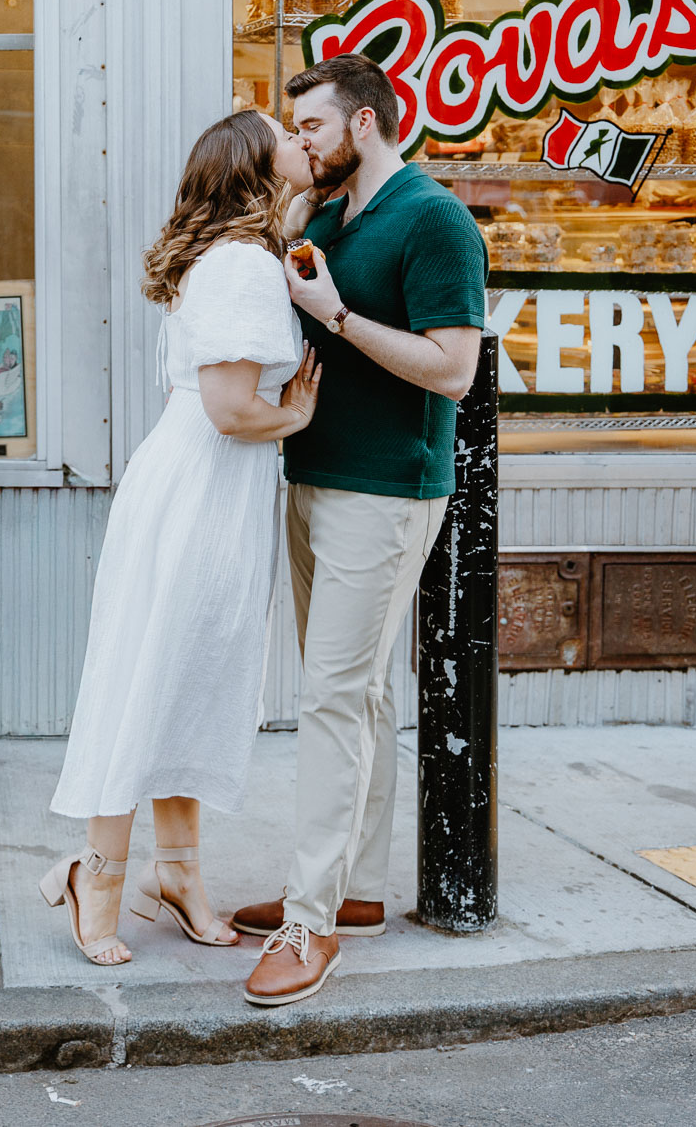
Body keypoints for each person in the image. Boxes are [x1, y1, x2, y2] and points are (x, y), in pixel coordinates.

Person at [43, 109, 321, 967]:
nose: (303, 141)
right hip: (202, 491)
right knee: (150, 680)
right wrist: (297, 414)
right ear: (253, 166)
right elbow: (232, 410)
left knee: (190, 684)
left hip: (205, 491)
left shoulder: (244, 254)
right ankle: (98, 875)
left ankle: (177, 875)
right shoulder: (240, 264)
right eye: (287, 134)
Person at [237, 55, 487, 1008]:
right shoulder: (335, 216)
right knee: (358, 697)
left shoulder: (434, 219)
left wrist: (333, 313)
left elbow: (452, 370)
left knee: (334, 700)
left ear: (368, 122)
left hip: (386, 493)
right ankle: (357, 891)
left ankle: (309, 920)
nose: (297, 142)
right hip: (314, 477)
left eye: (309, 126)